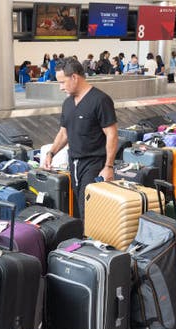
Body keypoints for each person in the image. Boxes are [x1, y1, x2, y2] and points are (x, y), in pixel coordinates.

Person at [43, 58, 118, 219]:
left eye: (62, 82)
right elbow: (64, 133)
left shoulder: (100, 100)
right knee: (80, 208)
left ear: (75, 77)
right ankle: (85, 240)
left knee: (91, 210)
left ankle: (94, 242)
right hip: (74, 163)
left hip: (94, 163)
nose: (61, 87)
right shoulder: (68, 103)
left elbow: (111, 134)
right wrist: (51, 153)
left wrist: (109, 166)